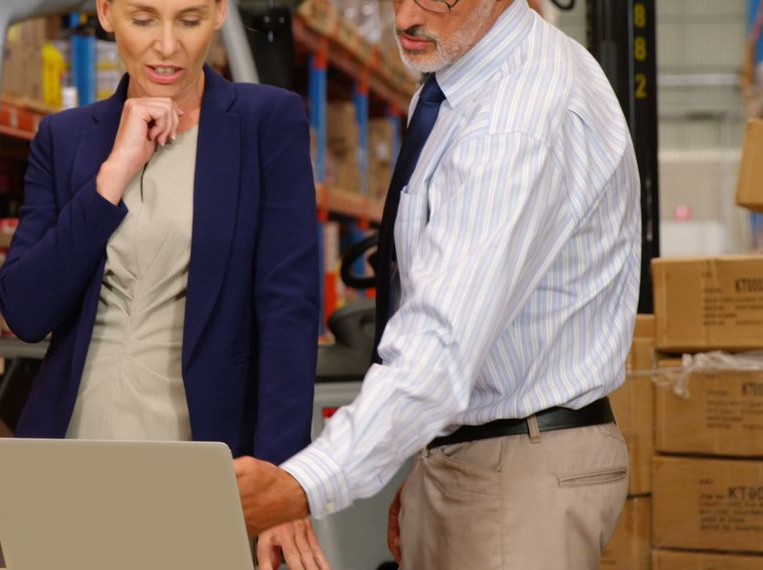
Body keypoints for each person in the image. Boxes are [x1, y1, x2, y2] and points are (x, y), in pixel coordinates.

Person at [235, 0, 641, 569]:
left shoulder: (514, 117)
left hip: (519, 469)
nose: (405, 18)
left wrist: (300, 484)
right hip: (487, 457)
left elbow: (442, 342)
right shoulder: (458, 83)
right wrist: (438, 458)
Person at [0, 0, 325, 564]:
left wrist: (283, 484)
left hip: (201, 457)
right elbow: (25, 311)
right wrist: (113, 174)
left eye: (189, 20)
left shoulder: (267, 121)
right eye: (144, 19)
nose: (167, 45)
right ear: (106, 13)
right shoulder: (66, 136)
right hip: (70, 450)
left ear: (220, 13)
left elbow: (288, 314)